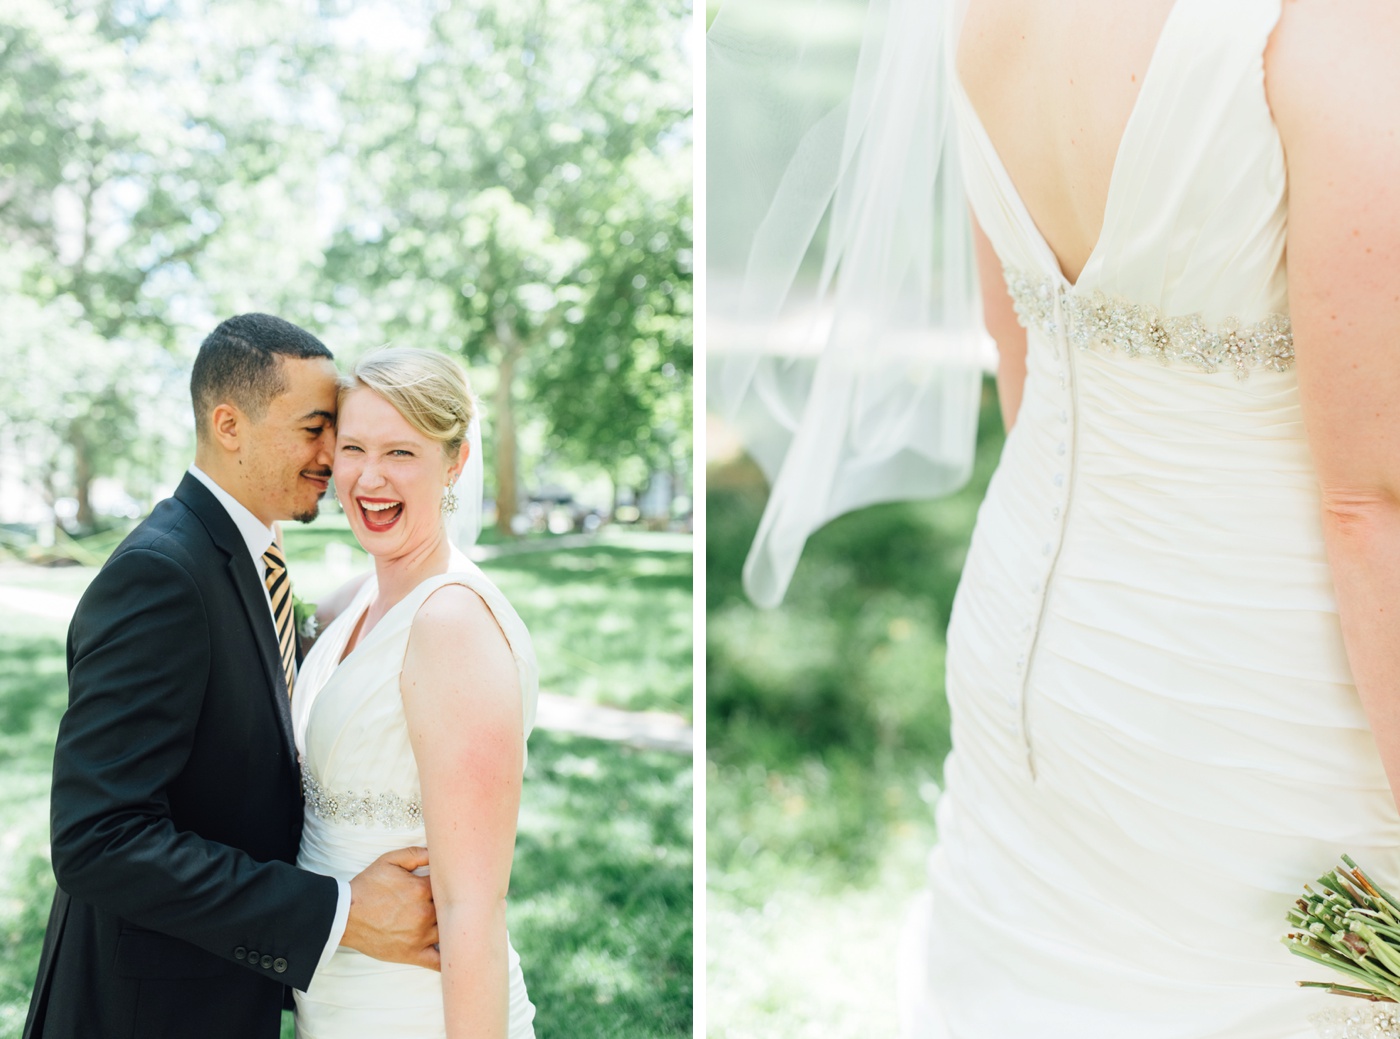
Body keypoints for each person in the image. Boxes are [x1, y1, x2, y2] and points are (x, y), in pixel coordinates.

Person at [714, 0, 1400, 1035]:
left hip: (1024, 636)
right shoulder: (1346, 28)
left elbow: (1018, 354)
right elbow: (1369, 506)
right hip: (1267, 695)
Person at [23, 314, 442, 1039]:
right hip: (141, 1014)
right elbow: (98, 836)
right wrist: (338, 911)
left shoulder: (249, 553)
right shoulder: (161, 573)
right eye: (316, 428)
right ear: (229, 424)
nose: (332, 454)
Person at [290, 347, 538, 1038]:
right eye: (354, 448)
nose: (370, 477)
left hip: (416, 1009)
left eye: (401, 452)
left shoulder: (452, 624)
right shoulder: (357, 602)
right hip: (337, 1001)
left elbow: (472, 907)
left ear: (454, 462)